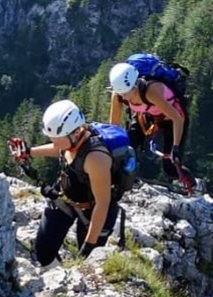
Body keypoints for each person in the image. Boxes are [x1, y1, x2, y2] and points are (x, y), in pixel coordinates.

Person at [8, 99, 131, 268]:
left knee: (87, 264)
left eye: (58, 139)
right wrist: (28, 152)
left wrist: (89, 246)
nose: (55, 143)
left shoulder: (96, 158)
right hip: (66, 198)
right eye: (53, 139)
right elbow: (59, 148)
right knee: (43, 252)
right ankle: (54, 271)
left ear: (75, 132)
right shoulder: (71, 139)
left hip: (93, 211)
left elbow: (103, 203)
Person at [107, 60, 197, 195]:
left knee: (170, 168)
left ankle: (192, 186)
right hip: (147, 115)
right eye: (121, 93)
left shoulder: (151, 91)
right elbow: (114, 127)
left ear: (135, 84)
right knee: (123, 148)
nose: (124, 97)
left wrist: (176, 147)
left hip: (171, 121)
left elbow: (177, 118)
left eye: (126, 93)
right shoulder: (119, 94)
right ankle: (120, 181)